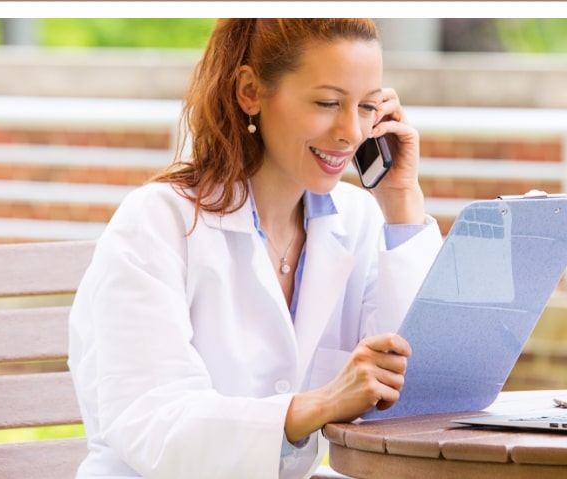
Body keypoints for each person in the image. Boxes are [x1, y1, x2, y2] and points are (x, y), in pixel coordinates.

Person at [67, 18, 442, 479]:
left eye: (367, 106)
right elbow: (151, 423)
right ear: (250, 91)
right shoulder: (157, 223)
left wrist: (403, 201)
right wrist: (317, 404)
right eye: (327, 102)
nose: (352, 131)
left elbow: (420, 392)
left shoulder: (359, 219)